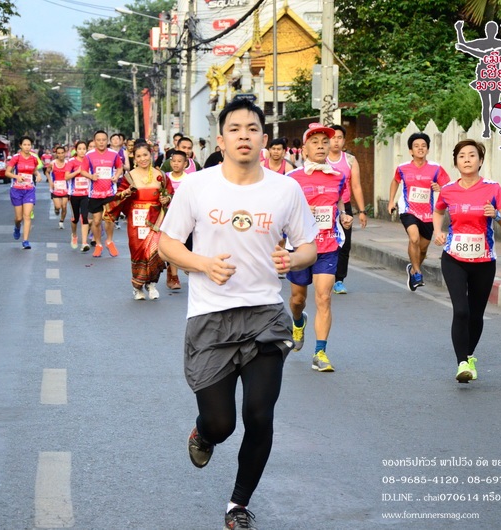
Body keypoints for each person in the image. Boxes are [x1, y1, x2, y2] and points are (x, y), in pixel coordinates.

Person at [158, 99, 318, 530]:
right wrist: (203, 264)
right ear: (221, 139)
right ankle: (204, 433)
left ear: (264, 138)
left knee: (260, 416)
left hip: (265, 315)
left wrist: (293, 259)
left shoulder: (285, 189)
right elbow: (166, 243)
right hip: (211, 317)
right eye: (235, 128)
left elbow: (309, 245)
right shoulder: (197, 187)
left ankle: (238, 505)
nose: (244, 135)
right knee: (221, 423)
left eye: (252, 128)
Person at [433, 139, 501, 383]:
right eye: (462, 156)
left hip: (484, 261)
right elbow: (438, 210)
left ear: (480, 161)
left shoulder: (493, 188)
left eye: (472, 155)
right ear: (456, 162)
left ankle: (469, 356)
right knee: (461, 310)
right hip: (454, 257)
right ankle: (461, 364)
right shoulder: (448, 190)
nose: (467, 159)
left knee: (476, 314)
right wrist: (438, 231)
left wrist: (496, 215)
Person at [287, 123, 353, 374]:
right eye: (315, 142)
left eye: (325, 142)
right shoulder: (292, 179)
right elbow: (283, 212)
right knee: (298, 300)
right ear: (304, 149)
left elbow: (339, 202)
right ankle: (298, 322)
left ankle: (320, 353)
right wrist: (304, 211)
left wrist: (344, 215)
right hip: (300, 246)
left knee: (324, 297)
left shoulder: (338, 176)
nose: (321, 146)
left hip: (328, 244)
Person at [106, 141, 174, 300]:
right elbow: (118, 196)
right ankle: (137, 287)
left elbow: (169, 192)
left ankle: (152, 284)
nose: (143, 159)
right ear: (134, 158)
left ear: (151, 155)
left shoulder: (160, 175)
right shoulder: (129, 176)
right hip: (136, 220)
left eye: (145, 155)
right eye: (139, 156)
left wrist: (166, 199)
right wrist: (127, 192)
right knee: (138, 251)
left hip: (156, 219)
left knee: (155, 251)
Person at [387, 132, 451, 291]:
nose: (420, 148)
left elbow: (449, 187)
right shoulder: (403, 168)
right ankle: (417, 272)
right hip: (408, 209)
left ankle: (413, 268)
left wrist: (439, 188)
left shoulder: (436, 168)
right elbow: (395, 181)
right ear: (411, 151)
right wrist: (391, 201)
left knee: (422, 249)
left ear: (428, 149)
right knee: (414, 238)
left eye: (423, 146)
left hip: (428, 213)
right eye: (416, 146)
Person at [327, 125, 368, 294]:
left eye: (339, 138)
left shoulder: (350, 160)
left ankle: (339, 280)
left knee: (344, 244)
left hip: (345, 207)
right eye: (333, 138)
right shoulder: (321, 159)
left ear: (344, 141)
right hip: (325, 207)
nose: (336, 141)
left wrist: (362, 211)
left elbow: (356, 186)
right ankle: (325, 274)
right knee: (326, 242)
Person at [81, 130, 124, 257]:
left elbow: (120, 167)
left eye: (104, 140)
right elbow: (82, 170)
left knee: (109, 219)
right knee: (96, 221)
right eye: (98, 140)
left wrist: (116, 176)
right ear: (94, 141)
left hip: (110, 192)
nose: (101, 142)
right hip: (94, 193)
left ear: (107, 141)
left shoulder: (113, 154)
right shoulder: (89, 155)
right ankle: (98, 244)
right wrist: (91, 176)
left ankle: (109, 241)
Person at [6, 135, 44, 249]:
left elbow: (34, 170)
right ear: (20, 146)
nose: (27, 147)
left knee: (27, 216)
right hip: (16, 190)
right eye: (25, 145)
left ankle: (26, 241)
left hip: (29, 190)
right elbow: (7, 173)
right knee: (19, 218)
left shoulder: (33, 158)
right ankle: (17, 227)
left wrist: (38, 175)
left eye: (29, 145)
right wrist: (16, 177)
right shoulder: (16, 158)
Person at [164, 150, 189, 290]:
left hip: (186, 217)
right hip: (168, 216)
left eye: (179, 161)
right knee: (172, 244)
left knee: (186, 246)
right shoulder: (165, 177)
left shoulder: (190, 179)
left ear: (185, 164)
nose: (176, 164)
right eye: (173, 161)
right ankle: (174, 277)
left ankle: (187, 266)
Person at [65, 141, 91, 251]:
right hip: (74, 194)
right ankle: (74, 234)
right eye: (79, 149)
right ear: (76, 150)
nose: (82, 151)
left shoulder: (89, 160)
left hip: (86, 194)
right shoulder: (71, 161)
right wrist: (77, 172)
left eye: (84, 149)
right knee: (75, 218)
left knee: (85, 217)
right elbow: (66, 176)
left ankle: (84, 243)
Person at [48, 145, 69, 229]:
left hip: (65, 188)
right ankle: (56, 209)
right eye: (59, 153)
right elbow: (47, 172)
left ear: (65, 153)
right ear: (56, 154)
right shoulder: (52, 163)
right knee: (58, 206)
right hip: (55, 188)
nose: (61, 155)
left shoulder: (68, 163)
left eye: (62, 153)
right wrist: (50, 181)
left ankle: (61, 221)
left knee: (64, 206)